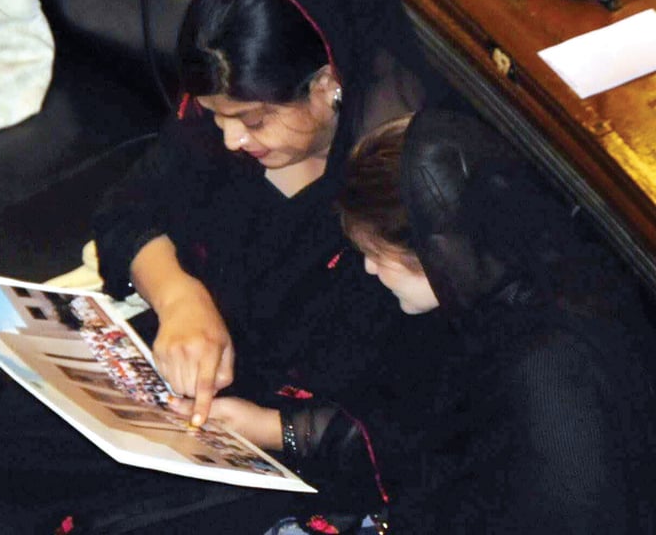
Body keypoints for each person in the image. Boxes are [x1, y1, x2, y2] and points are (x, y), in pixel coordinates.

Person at [0, 0, 464, 533]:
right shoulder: (231, 121)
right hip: (191, 362)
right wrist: (180, 299)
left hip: (301, 443)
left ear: (328, 82)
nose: (229, 140)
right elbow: (130, 207)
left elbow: (423, 421)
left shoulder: (401, 192)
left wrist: (272, 428)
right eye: (215, 115)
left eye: (251, 119)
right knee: (0, 449)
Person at [268, 108, 655, 533]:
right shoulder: (500, 310)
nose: (370, 271)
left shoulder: (547, 369)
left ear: (439, 247)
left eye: (376, 254)